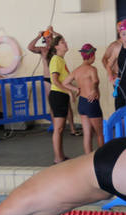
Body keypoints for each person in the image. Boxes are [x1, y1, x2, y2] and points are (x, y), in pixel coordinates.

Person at [28, 27, 80, 137]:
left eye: (50, 37)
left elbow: (61, 40)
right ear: (44, 39)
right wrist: (38, 36)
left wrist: (54, 32)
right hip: (48, 79)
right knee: (53, 104)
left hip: (59, 79)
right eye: (46, 38)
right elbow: (30, 47)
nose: (48, 39)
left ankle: (72, 128)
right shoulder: (43, 50)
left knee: (67, 105)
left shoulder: (56, 51)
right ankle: (56, 126)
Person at [62, 44, 104, 155]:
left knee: (87, 134)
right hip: (91, 103)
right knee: (100, 133)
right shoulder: (92, 69)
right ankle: (103, 158)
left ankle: (87, 159)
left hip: (82, 103)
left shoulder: (76, 71)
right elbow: (95, 81)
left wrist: (76, 89)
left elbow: (64, 83)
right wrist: (94, 90)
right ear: (92, 55)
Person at [47, 35, 73, 164]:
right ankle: (57, 158)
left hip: (61, 95)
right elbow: (55, 81)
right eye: (63, 42)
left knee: (61, 128)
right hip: (57, 95)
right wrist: (68, 91)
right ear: (56, 46)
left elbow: (64, 80)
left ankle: (61, 155)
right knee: (58, 128)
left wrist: (73, 89)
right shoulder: (56, 59)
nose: (66, 43)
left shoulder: (61, 60)